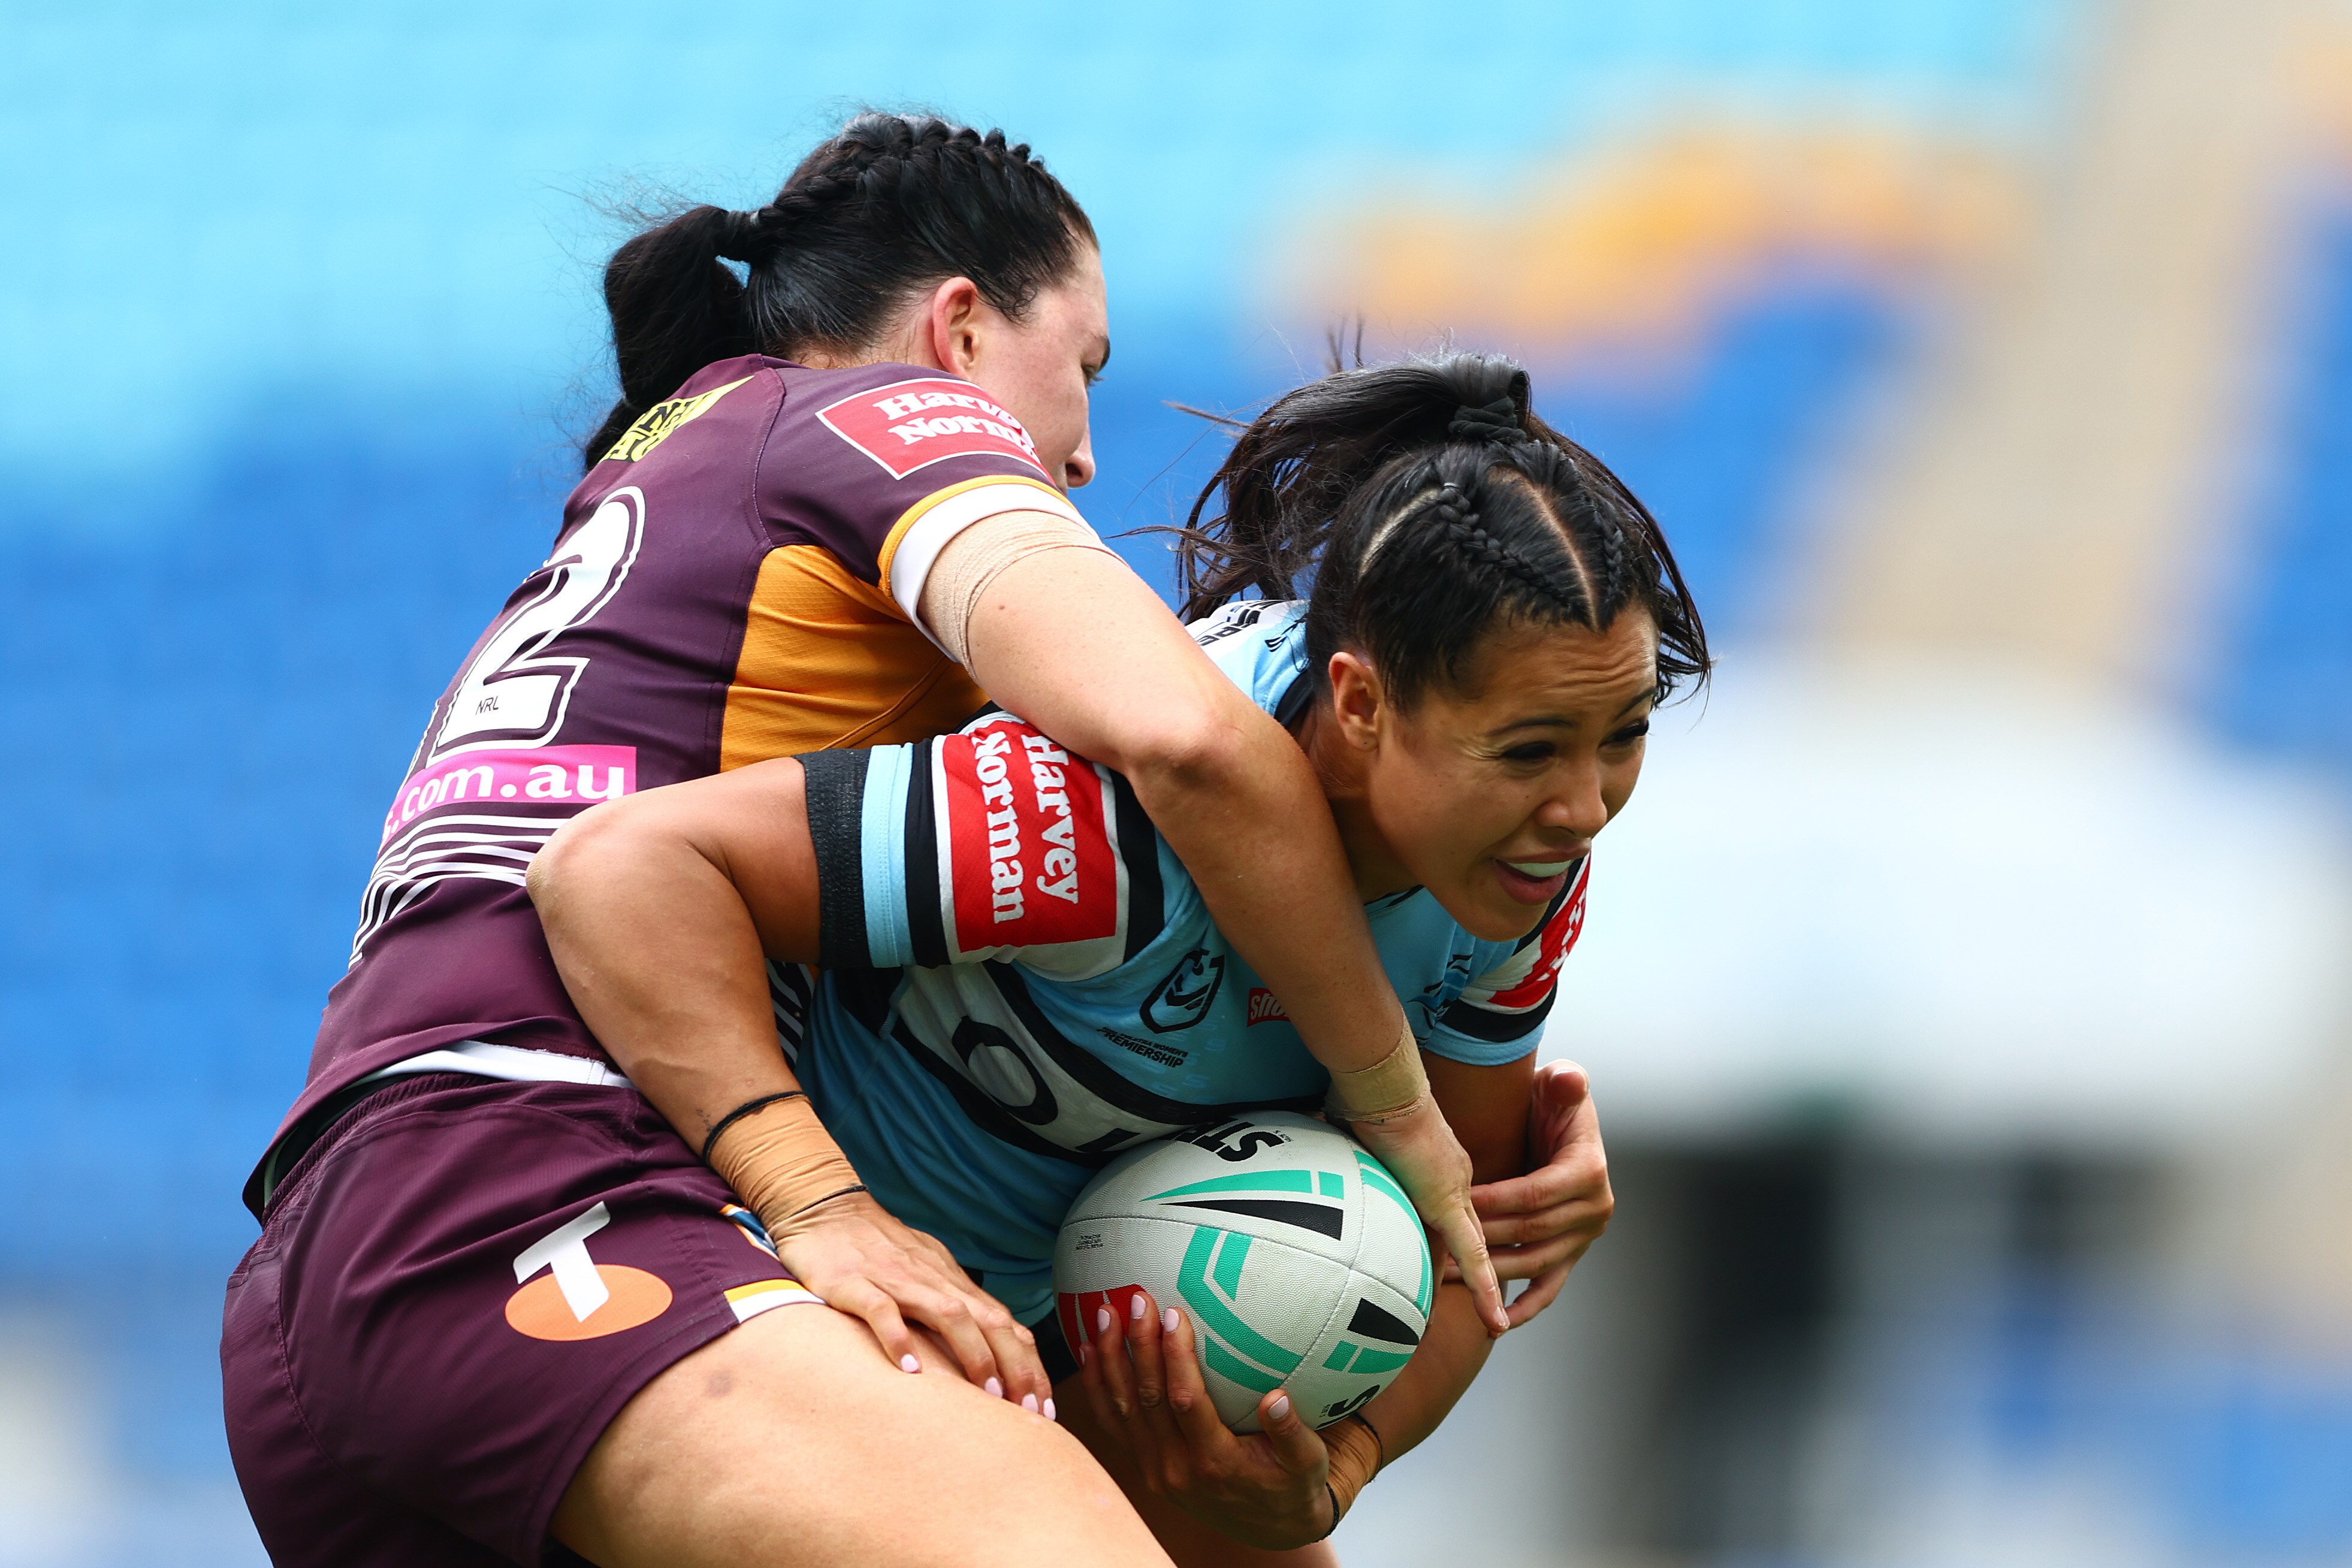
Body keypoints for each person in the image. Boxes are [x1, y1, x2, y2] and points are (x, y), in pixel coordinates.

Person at [221, 113, 1575, 1568]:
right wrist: (1404, 1113)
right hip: (537, 1181)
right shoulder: (888, 419)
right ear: (960, 330)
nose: (1088, 455)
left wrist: (1516, 1115)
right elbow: (1192, 748)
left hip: (380, 1244)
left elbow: (1160, 879)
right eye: (1085, 369)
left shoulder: (702, 490)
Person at [527, 352, 1709, 1564]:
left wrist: (1338, 1468)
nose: (1583, 806)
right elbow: (622, 871)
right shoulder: (1098, 823)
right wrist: (816, 1201)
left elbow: (1467, 1233)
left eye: (1623, 738)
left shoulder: (1517, 870)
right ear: (1356, 705)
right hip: (795, 1294)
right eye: (1528, 751)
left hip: (1049, 1348)